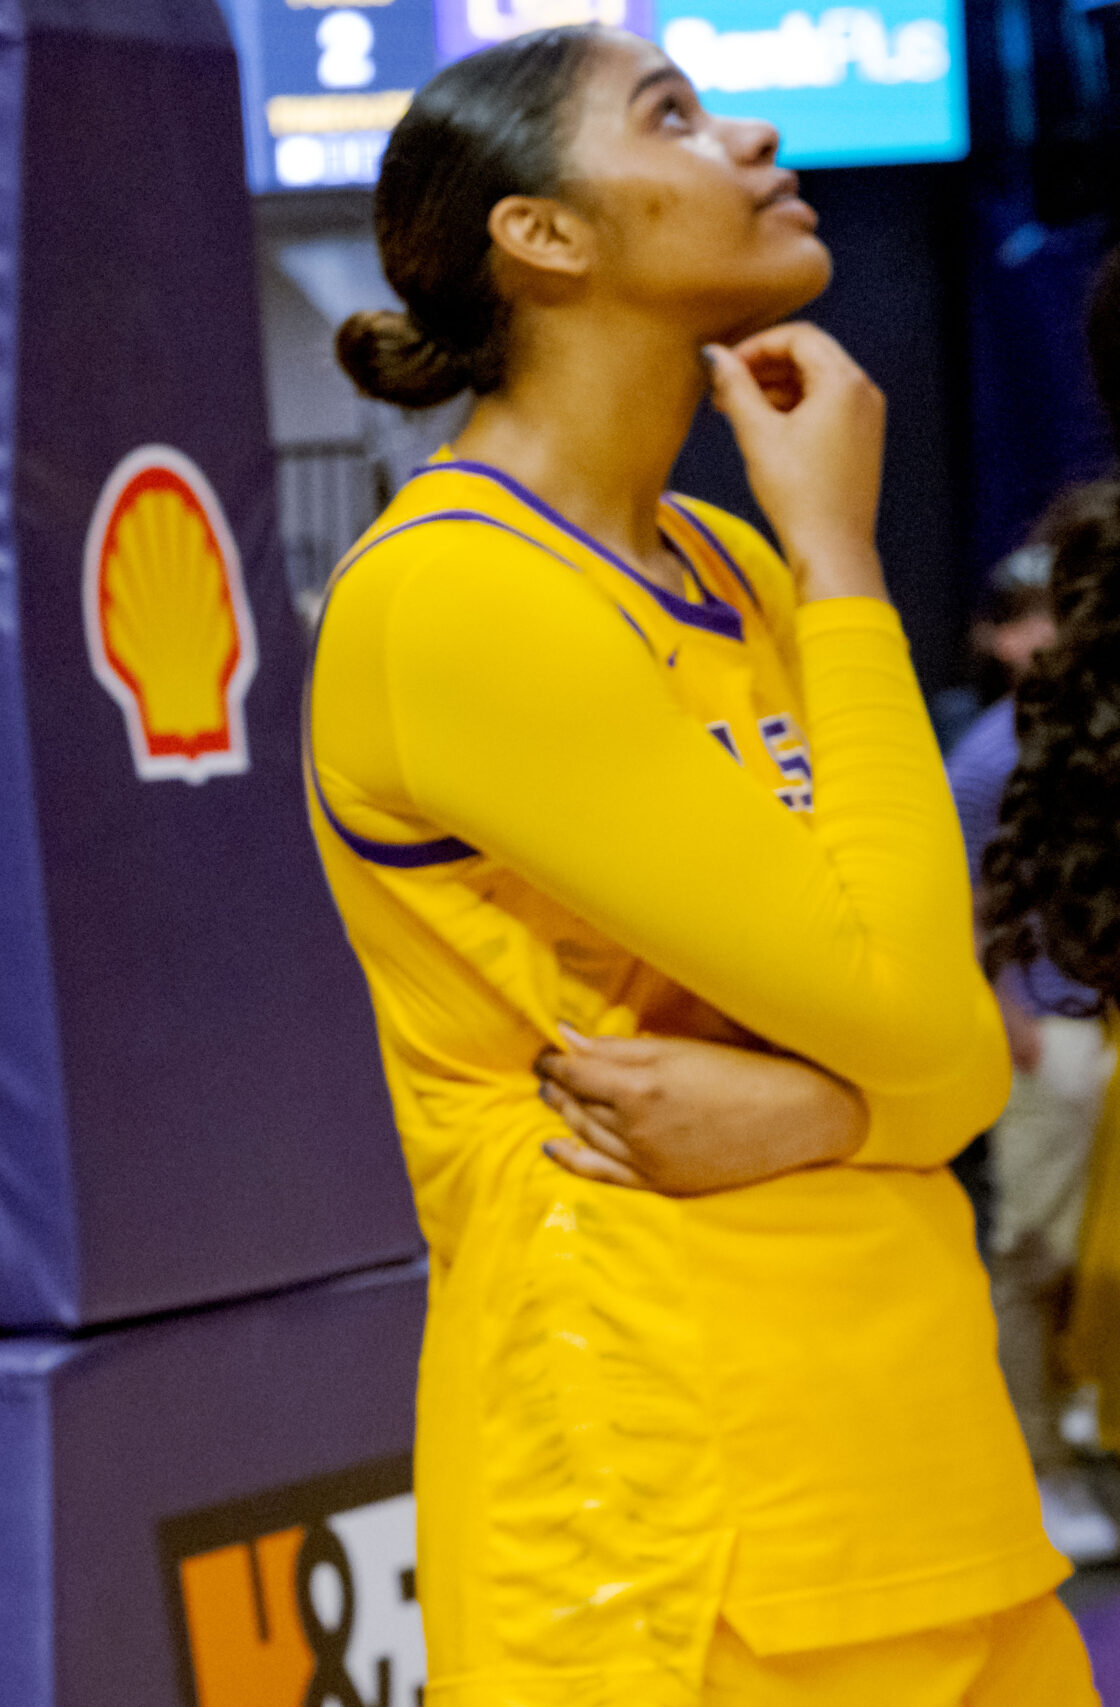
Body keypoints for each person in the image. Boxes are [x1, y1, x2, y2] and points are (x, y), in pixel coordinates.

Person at [309, 27, 1079, 1703]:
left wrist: (842, 1104)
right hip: (665, 1532)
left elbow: (932, 1039)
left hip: (924, 1470)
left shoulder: (728, 559)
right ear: (546, 237)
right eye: (671, 113)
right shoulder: (455, 595)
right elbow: (913, 1018)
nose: (750, 130)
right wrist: (847, 557)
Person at [951, 510, 1120, 1566]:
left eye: (1053, 613)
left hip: (1101, 1029)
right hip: (1041, 1038)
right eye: (1019, 621)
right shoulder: (981, 760)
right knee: (1032, 1252)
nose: (1039, 637)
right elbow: (958, 904)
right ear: (995, 641)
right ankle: (1041, 1470)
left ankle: (1081, 1433)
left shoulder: (1091, 731)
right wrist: (1007, 1025)